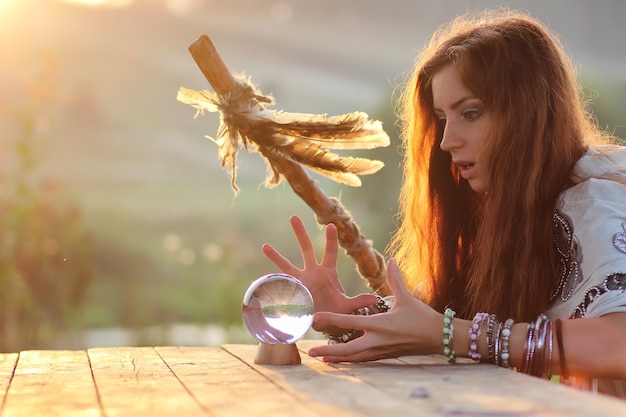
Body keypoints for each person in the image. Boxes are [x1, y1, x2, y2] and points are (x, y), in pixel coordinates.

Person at [261, 8, 626, 397]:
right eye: (442, 118)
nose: (447, 141)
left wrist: (451, 336)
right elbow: (452, 316)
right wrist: (342, 313)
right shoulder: (513, 209)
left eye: (470, 113)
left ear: (527, 113)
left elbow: (618, 344)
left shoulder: (595, 198)